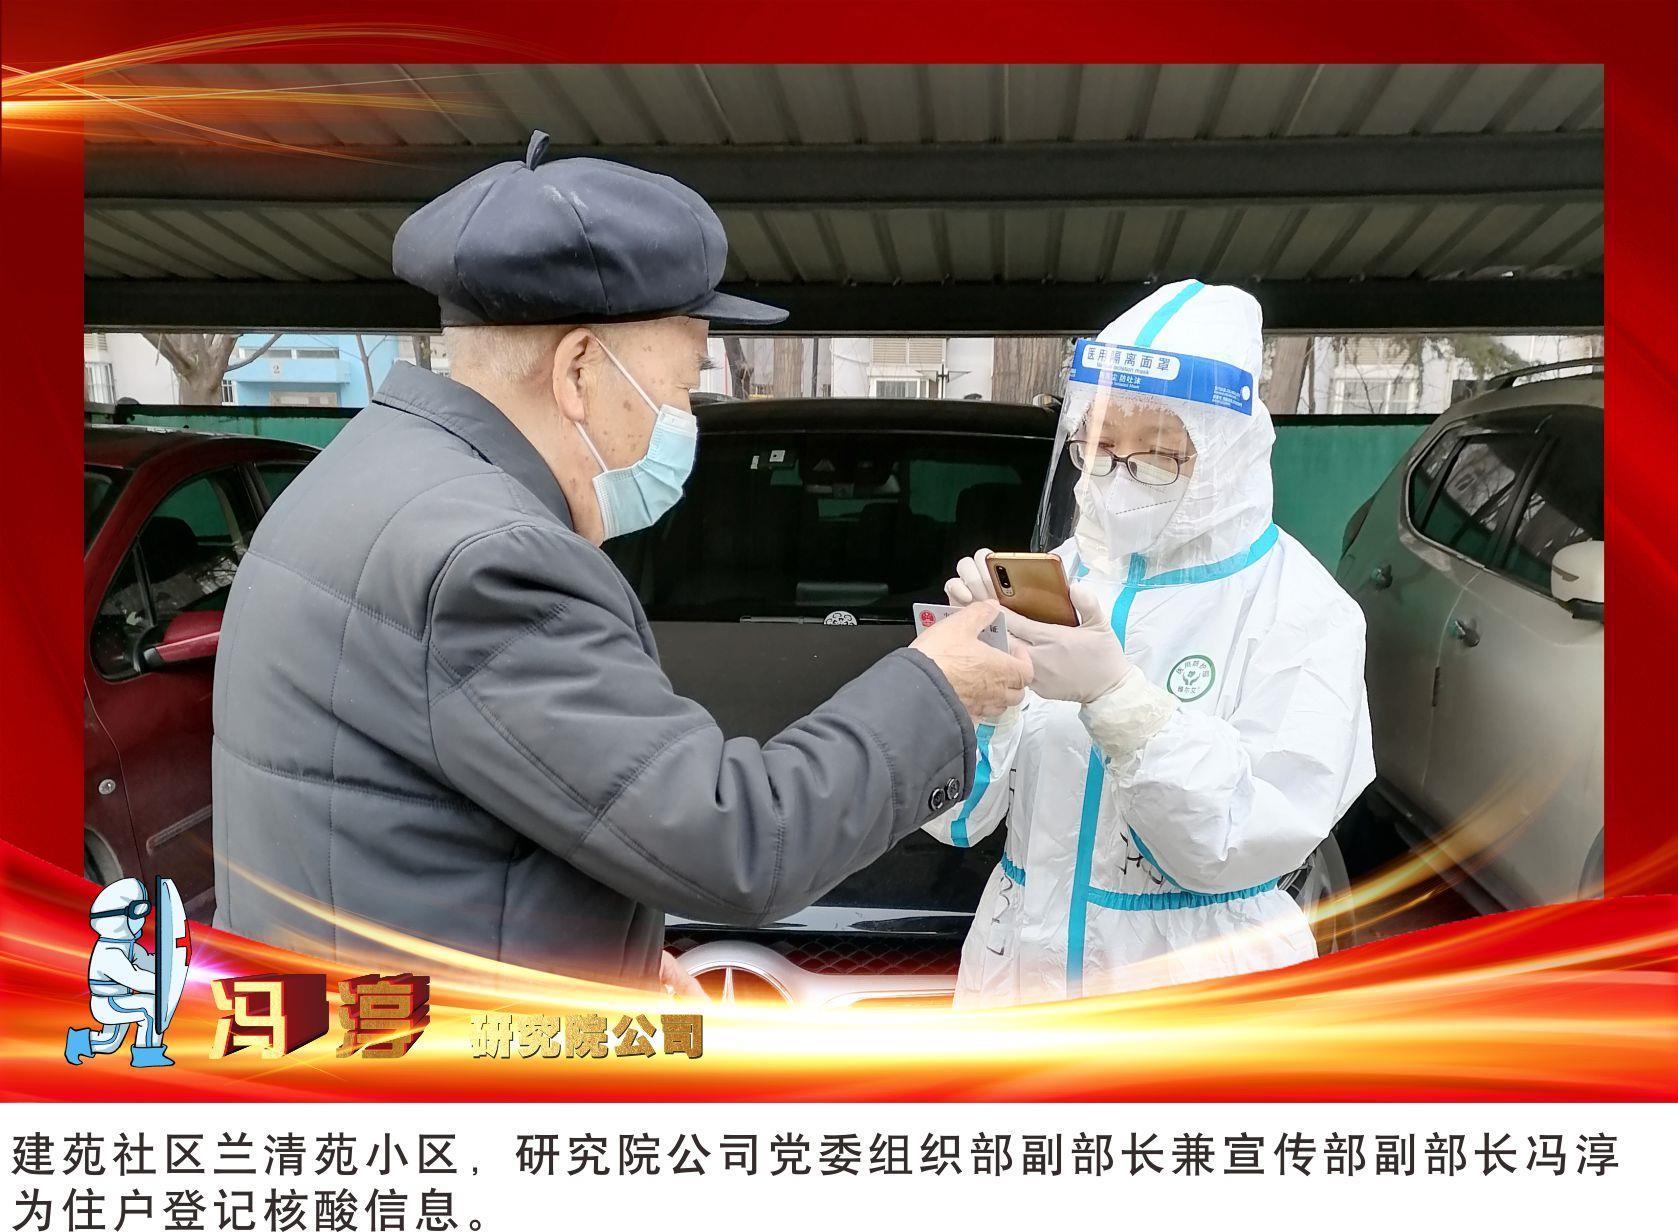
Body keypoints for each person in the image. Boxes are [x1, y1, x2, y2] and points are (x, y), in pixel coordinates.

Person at [212, 132, 1031, 991]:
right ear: (578, 371)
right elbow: (736, 842)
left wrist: (615, 959)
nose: (686, 417)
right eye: (682, 383)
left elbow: (452, 821)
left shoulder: (351, 475)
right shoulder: (494, 563)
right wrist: (937, 690)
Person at [928, 279, 1374, 1007]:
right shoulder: (1056, 582)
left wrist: (1122, 703)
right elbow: (959, 821)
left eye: (1158, 455)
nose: (1118, 478)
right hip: (1019, 981)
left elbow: (1240, 841)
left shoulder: (1301, 611)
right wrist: (976, 697)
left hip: (1195, 997)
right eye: (1099, 447)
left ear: (1226, 454)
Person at [64, 878, 171, 1067]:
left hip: (119, 1000)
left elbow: (147, 961)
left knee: (109, 1043)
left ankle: (78, 1041)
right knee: (150, 1007)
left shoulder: (127, 946)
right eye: (136, 912)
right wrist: (164, 983)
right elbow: (134, 978)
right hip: (107, 1003)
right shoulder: (109, 952)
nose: (141, 920)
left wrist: (166, 960)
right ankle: (147, 1055)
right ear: (116, 919)